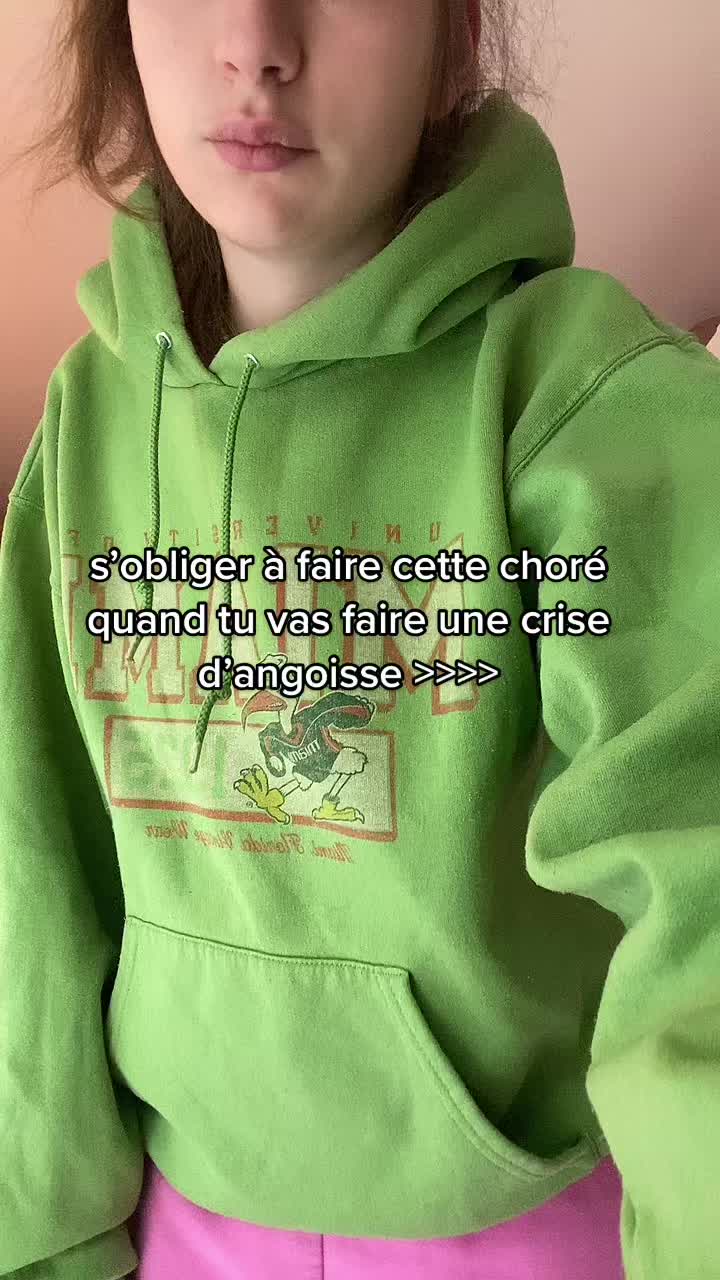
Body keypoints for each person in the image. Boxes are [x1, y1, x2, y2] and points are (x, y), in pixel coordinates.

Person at [1, 2, 718, 1278]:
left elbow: (701, 903)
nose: (255, 41)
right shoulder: (87, 415)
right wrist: (46, 1237)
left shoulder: (580, 405)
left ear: (453, 41)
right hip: (185, 1211)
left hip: (513, 1214)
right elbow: (33, 865)